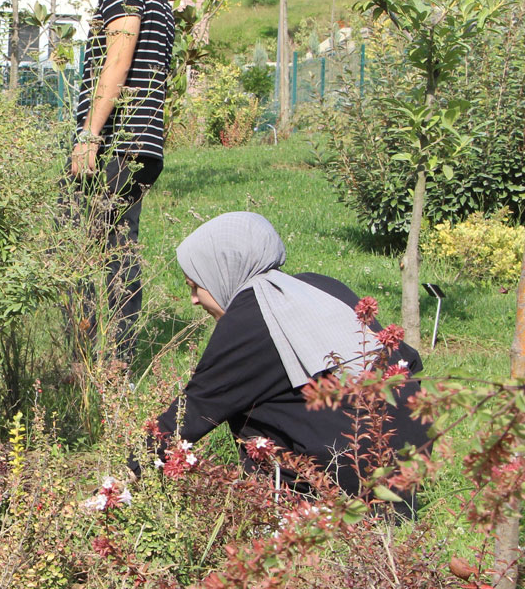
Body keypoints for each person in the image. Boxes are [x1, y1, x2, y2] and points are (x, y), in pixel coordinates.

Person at [153, 212, 428, 502]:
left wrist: (128, 473)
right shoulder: (318, 286)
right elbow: (408, 358)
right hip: (408, 463)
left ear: (222, 271)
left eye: (195, 286)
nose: (194, 299)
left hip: (352, 484)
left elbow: (195, 409)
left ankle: (281, 503)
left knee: (245, 399)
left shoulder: (251, 317)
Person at [48, 0, 175, 364]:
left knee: (71, 243)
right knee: (120, 252)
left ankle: (80, 360)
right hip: (143, 144)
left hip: (113, 144)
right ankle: (118, 365)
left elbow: (118, 62)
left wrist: (89, 135)